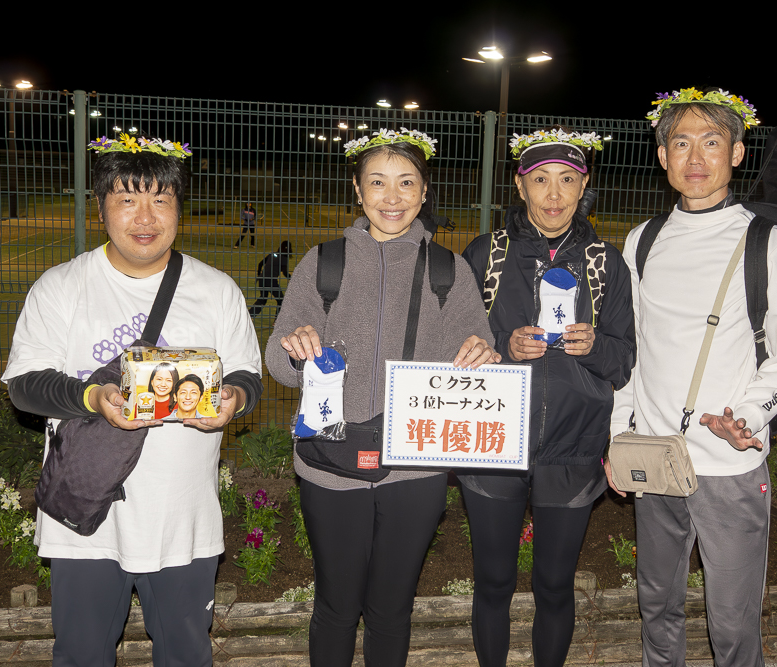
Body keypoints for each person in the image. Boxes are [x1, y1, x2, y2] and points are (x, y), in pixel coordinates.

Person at [1, 132, 263, 667]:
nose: (145, 217)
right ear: (101, 209)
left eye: (160, 200)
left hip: (182, 517)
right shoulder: (61, 286)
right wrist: (94, 396)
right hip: (87, 519)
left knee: (186, 655)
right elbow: (24, 385)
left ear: (179, 209)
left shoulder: (216, 290)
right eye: (127, 199)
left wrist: (234, 398)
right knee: (81, 656)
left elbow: (246, 375)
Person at [265, 128, 499, 667]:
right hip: (329, 462)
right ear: (357, 189)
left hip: (415, 468)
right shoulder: (323, 263)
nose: (392, 197)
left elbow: (477, 352)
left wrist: (482, 355)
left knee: (392, 611)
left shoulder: (450, 271)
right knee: (335, 608)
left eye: (406, 183)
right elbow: (278, 362)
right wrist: (296, 351)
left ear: (424, 191)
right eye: (377, 182)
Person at [607, 88, 777, 667]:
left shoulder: (767, 241)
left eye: (712, 142)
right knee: (657, 605)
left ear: (737, 154)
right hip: (654, 457)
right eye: (681, 143)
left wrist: (746, 417)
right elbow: (631, 351)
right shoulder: (643, 241)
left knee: (733, 620)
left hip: (729, 464)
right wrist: (618, 435)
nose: (695, 158)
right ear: (662, 156)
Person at [459, 127, 636, 667]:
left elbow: (624, 360)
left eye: (566, 180)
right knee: (493, 581)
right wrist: (502, 345)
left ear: (584, 186)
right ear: (520, 186)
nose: (554, 194)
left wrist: (594, 346)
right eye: (540, 180)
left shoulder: (606, 262)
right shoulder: (486, 254)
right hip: (492, 444)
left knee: (555, 585)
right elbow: (454, 346)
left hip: (573, 449)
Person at [249, 240, 292, 318]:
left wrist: (259, 275)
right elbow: (285, 273)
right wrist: (292, 279)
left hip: (262, 279)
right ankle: (277, 321)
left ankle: (249, 316)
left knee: (262, 299)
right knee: (281, 300)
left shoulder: (272, 254)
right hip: (271, 281)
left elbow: (260, 264)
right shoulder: (284, 258)